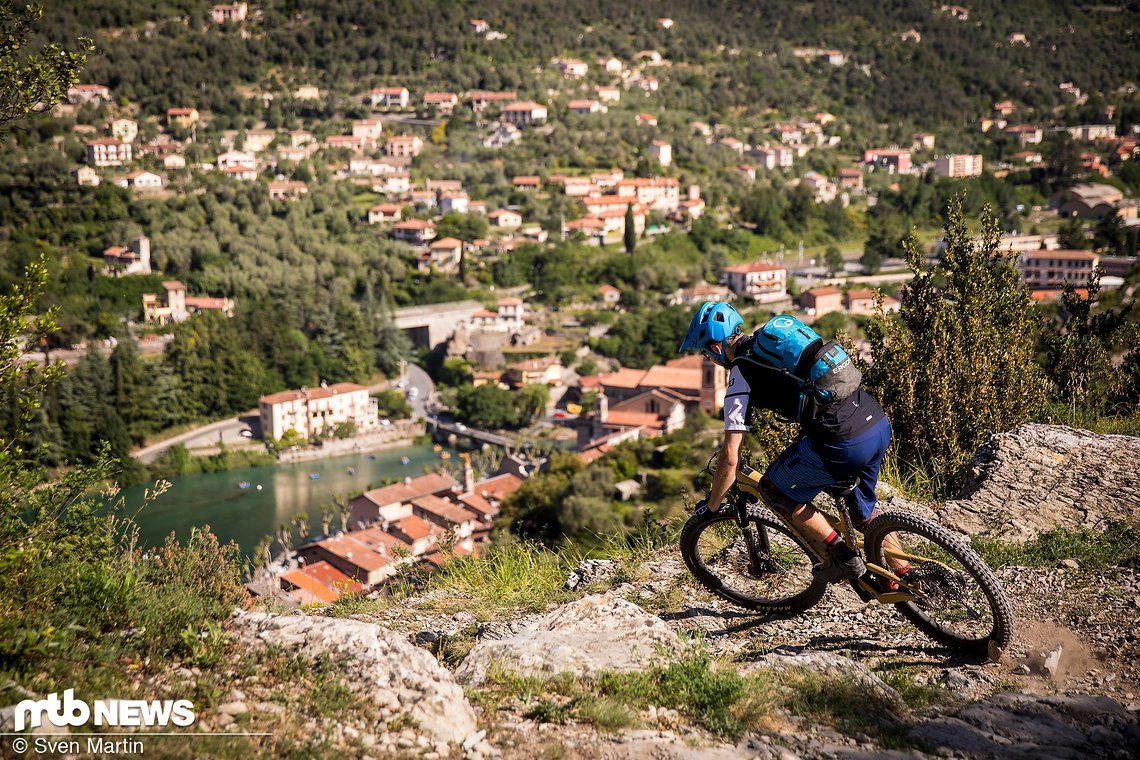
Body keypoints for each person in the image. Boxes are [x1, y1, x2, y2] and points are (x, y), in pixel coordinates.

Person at [678, 301, 900, 582]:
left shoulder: (741, 372)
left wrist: (712, 505)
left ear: (716, 348)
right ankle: (908, 575)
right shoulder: (770, 343)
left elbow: (731, 456)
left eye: (705, 353)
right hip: (875, 422)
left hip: (842, 440)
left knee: (774, 490)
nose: (709, 359)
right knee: (864, 516)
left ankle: (844, 559)